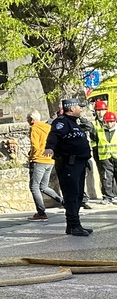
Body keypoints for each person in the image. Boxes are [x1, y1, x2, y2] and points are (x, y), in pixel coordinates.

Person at [45, 98, 92, 236]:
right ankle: (74, 225)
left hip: (79, 164)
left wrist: (85, 162)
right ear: (71, 108)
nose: (81, 109)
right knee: (71, 196)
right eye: (79, 107)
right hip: (69, 164)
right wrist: (50, 148)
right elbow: (54, 136)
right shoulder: (61, 122)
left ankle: (73, 225)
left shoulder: (75, 124)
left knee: (78, 196)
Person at [25, 110, 63, 221]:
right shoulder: (47, 127)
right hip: (50, 160)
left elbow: (35, 146)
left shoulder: (34, 128)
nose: (27, 121)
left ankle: (41, 212)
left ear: (32, 119)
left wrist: (31, 156)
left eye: (28, 119)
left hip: (39, 160)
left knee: (34, 186)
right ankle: (62, 201)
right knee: (44, 187)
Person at [95, 110, 117, 203]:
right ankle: (108, 197)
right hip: (106, 158)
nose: (108, 123)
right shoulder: (100, 131)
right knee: (107, 177)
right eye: (107, 121)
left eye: (110, 121)